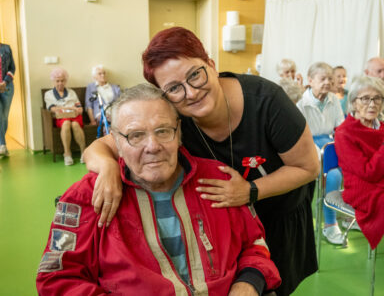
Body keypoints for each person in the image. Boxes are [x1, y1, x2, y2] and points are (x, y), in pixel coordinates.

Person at [83, 27, 319, 296]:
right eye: (174, 88)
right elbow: (99, 147)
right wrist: (108, 167)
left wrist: (250, 191)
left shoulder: (267, 101)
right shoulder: (174, 115)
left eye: (195, 74)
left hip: (279, 212)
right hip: (226, 224)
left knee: (274, 282)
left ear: (211, 64)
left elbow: (309, 167)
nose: (191, 93)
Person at [36, 84, 281, 295]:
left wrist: (248, 284)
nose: (152, 146)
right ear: (117, 141)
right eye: (136, 135)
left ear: (179, 134)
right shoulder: (87, 197)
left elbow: (255, 243)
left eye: (163, 131)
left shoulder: (220, 179)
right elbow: (57, 279)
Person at [296, 62, 345, 245]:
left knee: (354, 168)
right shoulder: (301, 102)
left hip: (330, 143)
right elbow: (301, 135)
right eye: (322, 78)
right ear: (310, 80)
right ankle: (330, 224)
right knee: (332, 175)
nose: (327, 82)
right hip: (309, 145)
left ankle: (350, 217)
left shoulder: (333, 98)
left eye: (329, 79)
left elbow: (340, 127)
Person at [334, 76, 384, 249]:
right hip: (361, 188)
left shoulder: (381, 126)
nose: (372, 104)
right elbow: (368, 172)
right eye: (365, 98)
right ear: (354, 102)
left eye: (377, 98)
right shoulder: (344, 133)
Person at [44, 68, 86, 166]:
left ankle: (84, 152)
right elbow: (52, 109)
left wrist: (79, 109)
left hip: (74, 116)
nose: (60, 83)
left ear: (65, 81)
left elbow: (79, 107)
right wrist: (69, 107)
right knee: (66, 123)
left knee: (75, 124)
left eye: (62, 80)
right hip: (61, 117)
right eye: (57, 81)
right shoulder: (48, 94)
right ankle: (67, 154)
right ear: (53, 81)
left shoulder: (72, 92)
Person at [0, 42, 16, 157]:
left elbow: (12, 67)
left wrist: (5, 82)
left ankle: (2, 146)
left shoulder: (6, 48)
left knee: (4, 116)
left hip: (7, 87)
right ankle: (2, 145)